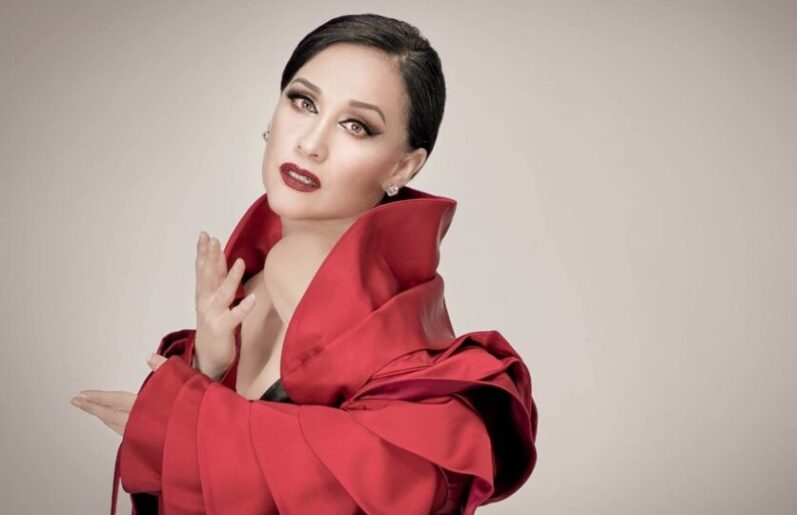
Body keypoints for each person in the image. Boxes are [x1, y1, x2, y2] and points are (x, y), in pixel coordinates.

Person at [70, 13, 538, 514]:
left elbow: (388, 483)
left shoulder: (300, 267)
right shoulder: (258, 275)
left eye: (356, 126)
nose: (311, 143)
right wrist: (208, 366)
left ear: (403, 166)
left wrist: (184, 420)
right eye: (304, 101)